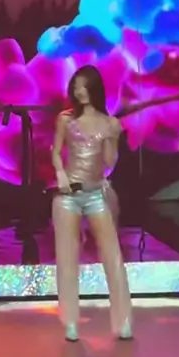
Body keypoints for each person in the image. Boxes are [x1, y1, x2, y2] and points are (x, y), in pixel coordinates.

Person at [52, 65, 133, 342]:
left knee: (113, 256)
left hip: (97, 194)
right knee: (67, 258)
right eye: (76, 86)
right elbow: (56, 152)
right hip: (69, 196)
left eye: (84, 86)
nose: (80, 91)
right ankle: (71, 322)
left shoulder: (108, 123)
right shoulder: (66, 120)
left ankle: (123, 321)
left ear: (95, 89)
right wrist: (60, 174)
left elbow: (109, 162)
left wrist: (113, 137)